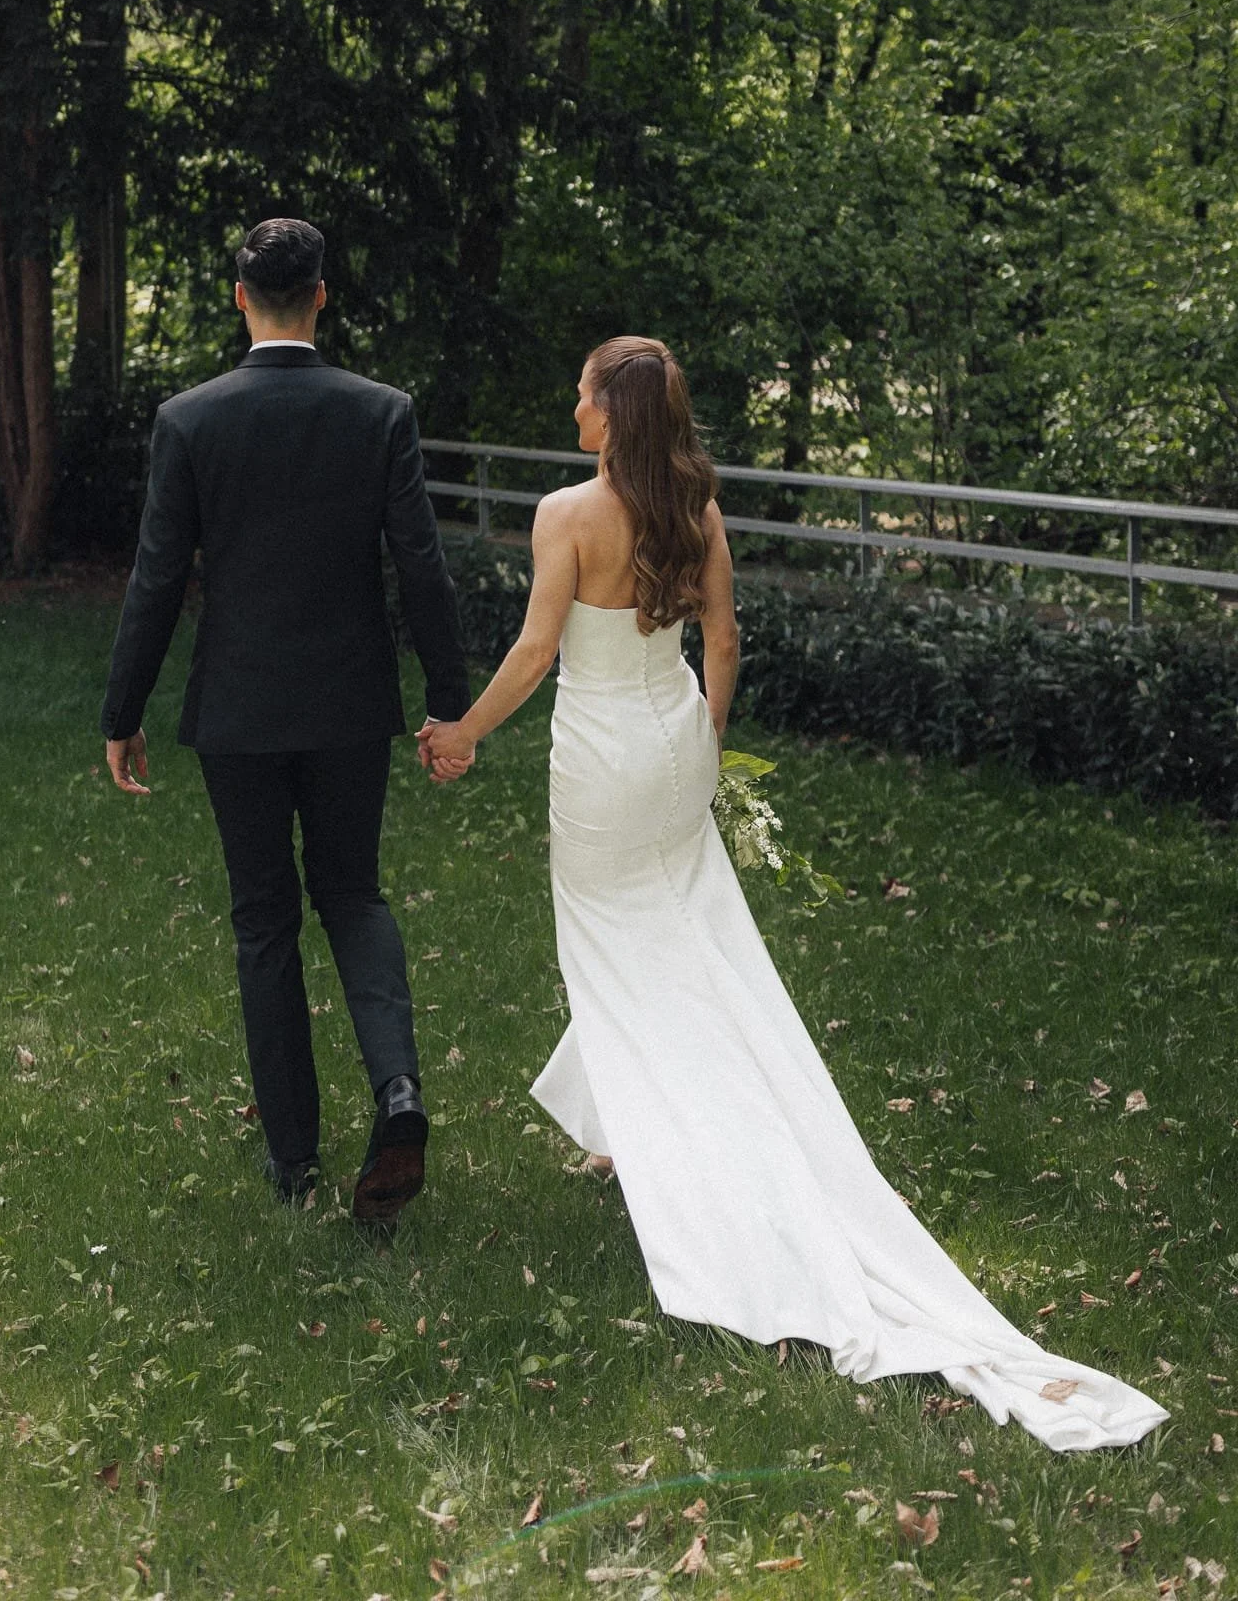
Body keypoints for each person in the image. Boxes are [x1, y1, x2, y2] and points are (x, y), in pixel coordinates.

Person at [422, 336, 1167, 1452]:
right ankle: (617, 1132)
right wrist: (706, 741)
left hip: (600, 758)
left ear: (611, 413)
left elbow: (536, 652)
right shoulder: (698, 510)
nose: (570, 407)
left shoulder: (565, 514)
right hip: (674, 741)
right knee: (676, 940)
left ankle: (675, 1149)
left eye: (580, 393)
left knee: (613, 950)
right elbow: (722, 638)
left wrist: (463, 735)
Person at [100, 217, 472, 1228]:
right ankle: (396, 1090)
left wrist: (122, 711)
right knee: (353, 893)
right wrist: (451, 701)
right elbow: (421, 567)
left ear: (239, 299)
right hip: (352, 703)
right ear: (319, 297)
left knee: (264, 919)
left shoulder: (189, 420)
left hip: (239, 709)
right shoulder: (378, 411)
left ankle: (293, 1160)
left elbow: (156, 575)